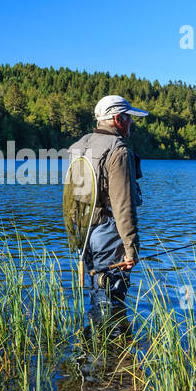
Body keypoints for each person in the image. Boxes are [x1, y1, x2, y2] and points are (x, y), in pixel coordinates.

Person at [67, 95, 147, 329]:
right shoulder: (118, 151)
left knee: (97, 290)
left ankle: (94, 352)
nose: (131, 122)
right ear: (117, 119)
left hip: (85, 233)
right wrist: (131, 249)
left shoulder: (79, 146)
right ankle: (110, 355)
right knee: (111, 295)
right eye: (129, 118)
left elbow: (72, 199)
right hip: (108, 232)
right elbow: (123, 205)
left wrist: (77, 237)